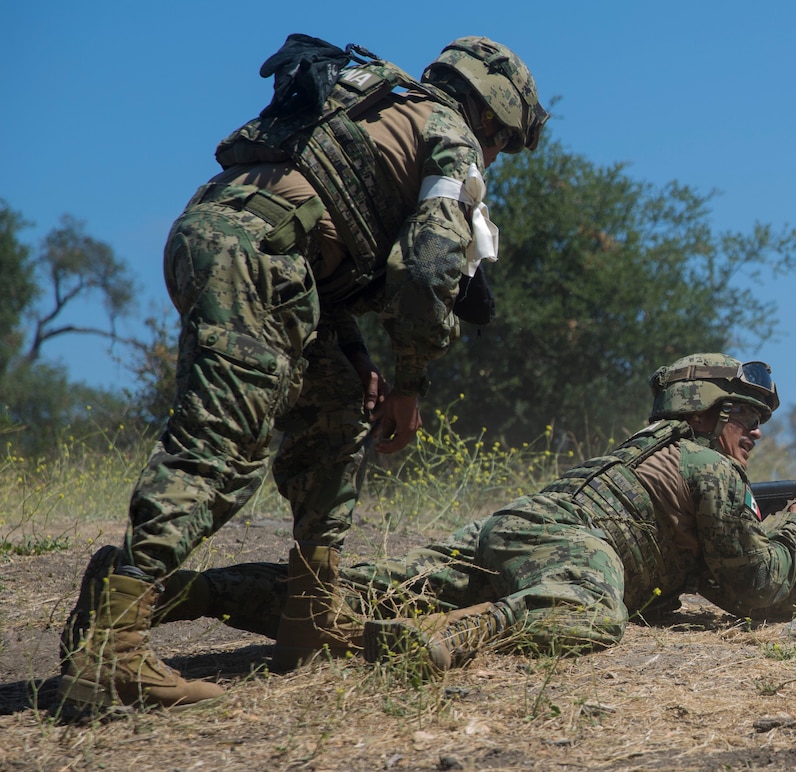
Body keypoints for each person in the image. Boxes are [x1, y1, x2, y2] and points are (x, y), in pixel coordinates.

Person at [59, 34, 549, 710]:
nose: (495, 156)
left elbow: (322, 233)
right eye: (503, 143)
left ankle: (312, 615)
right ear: (489, 115)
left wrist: (359, 360)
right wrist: (409, 384)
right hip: (256, 257)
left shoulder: (383, 109)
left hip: (240, 246)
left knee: (340, 405)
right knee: (224, 445)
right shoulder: (452, 138)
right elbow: (428, 269)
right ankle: (109, 647)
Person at [99, 353, 796, 684]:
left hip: (516, 530)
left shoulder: (663, 459)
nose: (757, 433)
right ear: (708, 412)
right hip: (572, 548)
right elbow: (753, 591)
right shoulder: (709, 467)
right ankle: (460, 636)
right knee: (591, 609)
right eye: (747, 415)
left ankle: (173, 594)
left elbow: (737, 588)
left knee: (364, 591)